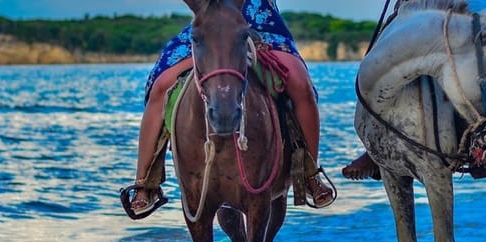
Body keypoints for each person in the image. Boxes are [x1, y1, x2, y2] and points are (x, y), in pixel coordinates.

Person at [130, 0, 335, 217]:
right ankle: (145, 183)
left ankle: (310, 173)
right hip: (210, 22)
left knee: (301, 86)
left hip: (259, 21)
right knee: (161, 87)